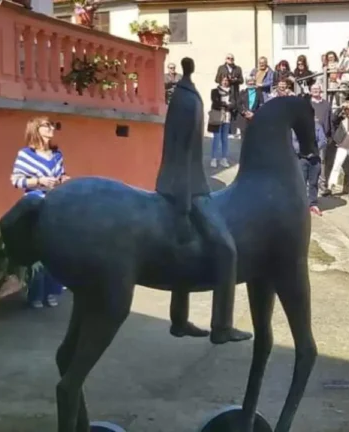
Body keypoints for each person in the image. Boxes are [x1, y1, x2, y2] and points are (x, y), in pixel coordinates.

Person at [156, 58, 251, 344]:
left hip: (180, 183)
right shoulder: (188, 101)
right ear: (191, 68)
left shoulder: (183, 96)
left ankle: (180, 321)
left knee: (185, 254)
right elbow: (183, 153)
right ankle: (222, 327)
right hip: (187, 188)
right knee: (226, 251)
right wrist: (184, 204)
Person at [10, 117, 68, 309]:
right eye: (47, 125)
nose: (51, 128)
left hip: (55, 204)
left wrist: (62, 179)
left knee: (57, 249)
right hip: (34, 203)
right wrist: (40, 181)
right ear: (36, 129)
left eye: (52, 125)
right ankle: (35, 294)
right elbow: (17, 180)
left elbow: (61, 175)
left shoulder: (57, 154)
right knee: (39, 250)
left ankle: (52, 292)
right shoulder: (25, 154)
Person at [293, 118, 328, 217]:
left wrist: (314, 149)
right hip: (301, 158)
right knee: (301, 183)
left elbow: (323, 140)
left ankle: (313, 204)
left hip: (315, 158)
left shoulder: (317, 126)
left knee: (313, 183)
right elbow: (293, 141)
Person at [207, 75, 236, 168]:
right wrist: (226, 104)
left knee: (225, 139)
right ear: (220, 81)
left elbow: (234, 104)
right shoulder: (214, 91)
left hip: (227, 117)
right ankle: (214, 159)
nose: (225, 82)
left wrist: (227, 105)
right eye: (223, 80)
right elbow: (215, 102)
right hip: (217, 117)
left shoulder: (232, 91)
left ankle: (224, 158)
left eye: (226, 80)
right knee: (216, 138)